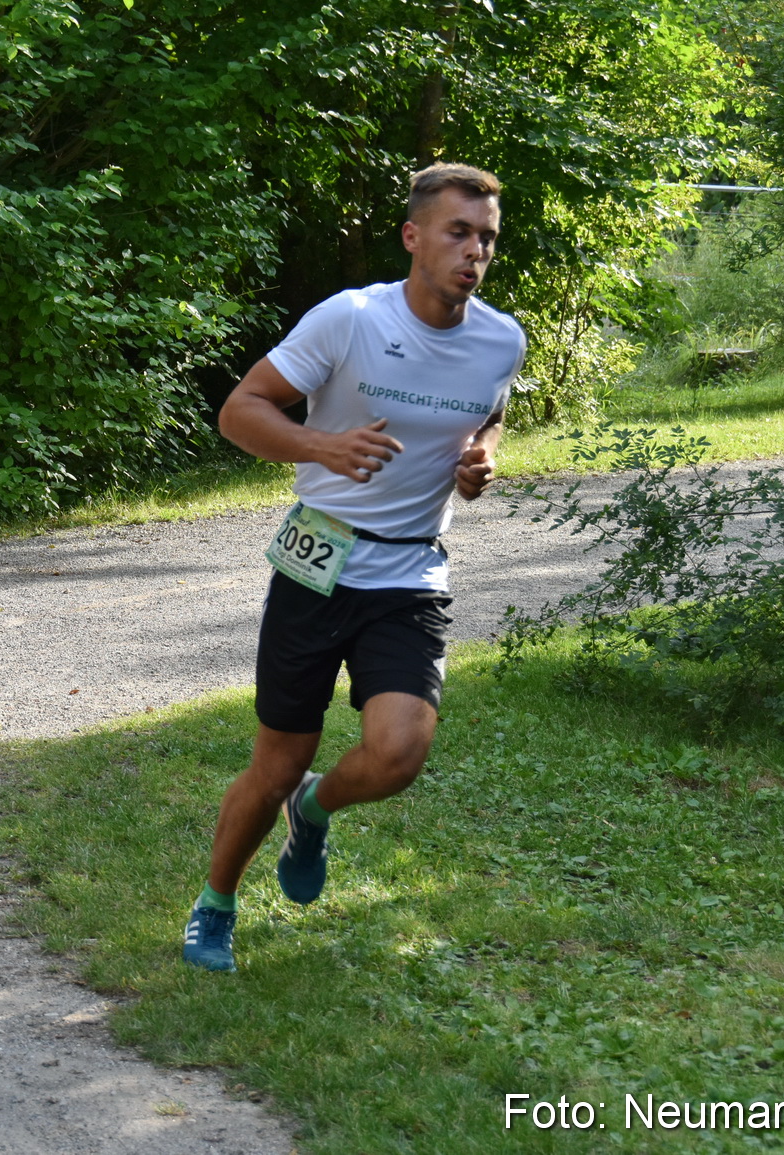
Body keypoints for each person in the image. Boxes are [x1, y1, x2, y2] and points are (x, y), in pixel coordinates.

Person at [182, 162, 525, 972]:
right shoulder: (351, 319)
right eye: (458, 232)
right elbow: (240, 410)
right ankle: (215, 906)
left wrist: (480, 460)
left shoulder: (501, 338)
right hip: (318, 560)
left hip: (410, 572)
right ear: (413, 236)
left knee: (400, 753)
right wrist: (322, 445)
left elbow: (493, 415)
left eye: (486, 239)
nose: (474, 252)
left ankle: (318, 808)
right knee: (275, 764)